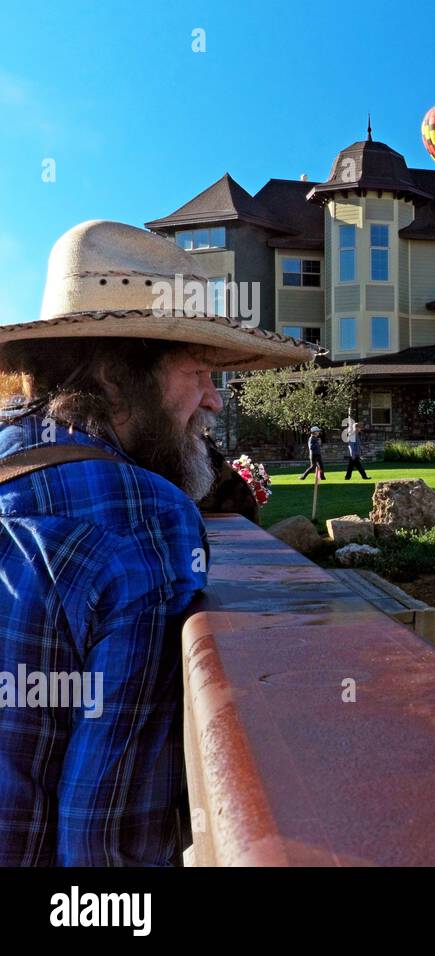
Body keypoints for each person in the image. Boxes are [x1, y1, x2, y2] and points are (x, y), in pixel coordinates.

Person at [0, 220, 315, 865]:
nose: (214, 401)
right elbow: (106, 840)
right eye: (200, 370)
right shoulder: (141, 514)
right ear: (117, 377)